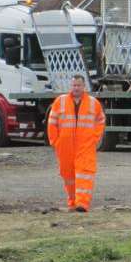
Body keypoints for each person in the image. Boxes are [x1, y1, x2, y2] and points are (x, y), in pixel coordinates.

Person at [47, 74, 105, 212]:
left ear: (84, 86)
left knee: (84, 173)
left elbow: (101, 121)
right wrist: (55, 141)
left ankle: (82, 204)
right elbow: (52, 123)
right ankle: (73, 202)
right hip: (65, 146)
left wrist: (94, 139)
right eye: (74, 85)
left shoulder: (93, 103)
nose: (76, 88)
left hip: (85, 145)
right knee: (68, 176)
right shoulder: (60, 101)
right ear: (70, 86)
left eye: (79, 85)